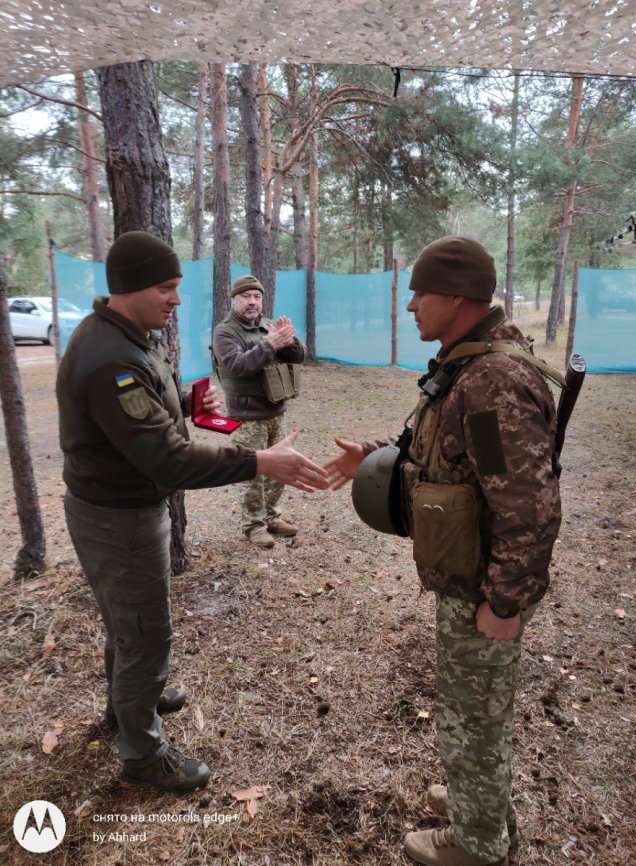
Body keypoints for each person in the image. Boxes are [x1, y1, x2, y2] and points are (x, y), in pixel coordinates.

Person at [56, 231, 327, 794]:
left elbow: (149, 410)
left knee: (126, 626)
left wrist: (186, 400)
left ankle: (126, 705)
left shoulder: (128, 335)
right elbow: (167, 459)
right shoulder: (111, 357)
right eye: (167, 288)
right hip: (119, 516)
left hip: (120, 506)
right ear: (130, 287)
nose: (176, 299)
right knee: (144, 635)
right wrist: (259, 461)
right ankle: (142, 752)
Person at [325, 236, 562, 866]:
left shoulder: (492, 380)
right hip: (473, 575)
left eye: (419, 293)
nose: (410, 307)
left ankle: (477, 842)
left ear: (456, 296)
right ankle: (476, 796)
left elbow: (527, 507)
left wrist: (504, 602)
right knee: (475, 709)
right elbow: (453, 460)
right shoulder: (471, 363)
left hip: (483, 585)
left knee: (474, 716)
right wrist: (375, 460)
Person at [212, 275, 305, 548]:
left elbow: (298, 357)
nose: (252, 302)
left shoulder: (268, 326)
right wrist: (271, 344)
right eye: (246, 297)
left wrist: (290, 341)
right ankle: (254, 525)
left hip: (276, 411)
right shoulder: (225, 332)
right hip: (246, 417)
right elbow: (236, 366)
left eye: (257, 297)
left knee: (280, 468)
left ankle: (272, 516)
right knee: (251, 471)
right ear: (234, 299)